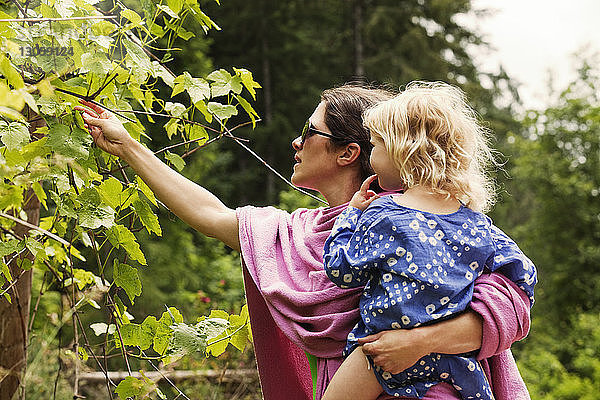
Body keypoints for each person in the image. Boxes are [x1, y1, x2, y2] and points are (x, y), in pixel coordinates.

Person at [75, 83, 533, 400]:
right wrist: (129, 146)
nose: (296, 142)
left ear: (349, 153)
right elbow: (210, 214)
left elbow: (508, 312)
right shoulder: (300, 231)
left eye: (309, 131)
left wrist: (415, 342)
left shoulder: (429, 225)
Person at [321, 82, 536, 400]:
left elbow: (341, 270)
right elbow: (523, 273)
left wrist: (351, 215)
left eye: (376, 145)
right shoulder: (476, 224)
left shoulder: (385, 213)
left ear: (401, 151)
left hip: (380, 350)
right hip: (454, 359)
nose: (372, 156)